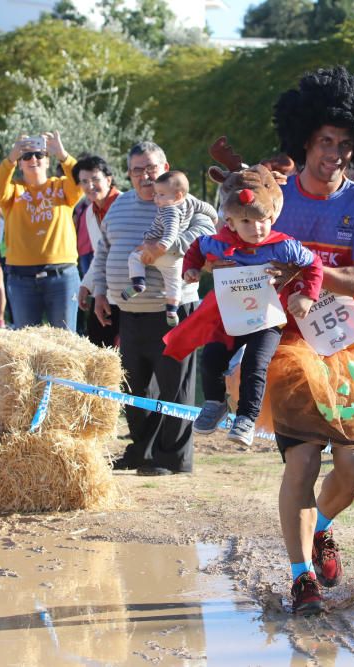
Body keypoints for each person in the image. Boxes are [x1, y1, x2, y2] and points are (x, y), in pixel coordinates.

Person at [268, 66, 354, 614]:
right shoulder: (279, 198)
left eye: (346, 144)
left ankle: (322, 526)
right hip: (291, 348)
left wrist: (304, 265)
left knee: (353, 469)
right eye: (326, 142)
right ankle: (301, 576)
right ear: (305, 141)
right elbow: (241, 250)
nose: (336, 153)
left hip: (353, 347)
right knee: (301, 462)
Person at [166, 166, 323, 445]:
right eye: (246, 223)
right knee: (212, 358)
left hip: (267, 319)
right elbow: (196, 248)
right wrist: (191, 269)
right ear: (231, 222)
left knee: (255, 364)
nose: (256, 228)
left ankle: (246, 419)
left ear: (272, 216)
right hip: (231, 319)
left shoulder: (284, 246)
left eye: (261, 220)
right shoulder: (218, 242)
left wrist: (308, 295)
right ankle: (215, 403)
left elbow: (313, 264)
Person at [91, 141, 215, 475]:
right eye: (137, 170)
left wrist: (166, 247)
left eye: (152, 168)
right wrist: (99, 290)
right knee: (134, 385)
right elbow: (103, 250)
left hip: (173, 309)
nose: (145, 176)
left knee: (175, 386)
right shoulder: (118, 206)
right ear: (129, 174)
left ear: (165, 167)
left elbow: (208, 229)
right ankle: (142, 450)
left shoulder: (184, 202)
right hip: (129, 310)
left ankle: (172, 459)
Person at [0, 131, 82, 330]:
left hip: (61, 275)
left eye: (39, 155)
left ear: (47, 161)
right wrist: (10, 158)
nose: (33, 159)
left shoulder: (62, 186)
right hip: (22, 278)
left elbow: (80, 182)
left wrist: (63, 155)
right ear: (20, 163)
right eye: (26, 156)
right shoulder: (13, 191)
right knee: (26, 346)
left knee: (66, 343)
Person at [120, 170, 218, 327]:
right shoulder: (190, 202)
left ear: (178, 196)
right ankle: (172, 309)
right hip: (175, 258)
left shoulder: (168, 210)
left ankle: (138, 282)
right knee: (173, 282)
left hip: (159, 249)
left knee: (134, 257)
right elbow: (206, 207)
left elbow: (171, 229)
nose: (156, 198)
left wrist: (162, 246)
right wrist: (214, 217)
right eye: (156, 194)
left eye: (160, 194)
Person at [73, 155, 122, 347]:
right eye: (84, 181)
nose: (90, 186)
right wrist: (86, 285)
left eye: (95, 180)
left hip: (132, 295)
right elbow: (99, 256)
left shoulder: (126, 203)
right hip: (104, 295)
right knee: (98, 353)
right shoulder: (88, 214)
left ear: (108, 180)